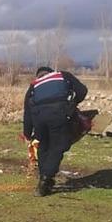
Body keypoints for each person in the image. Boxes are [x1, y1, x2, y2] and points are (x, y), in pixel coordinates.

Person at [22, 66, 88, 196]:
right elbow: (82, 91)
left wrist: (27, 133)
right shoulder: (62, 75)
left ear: (38, 75)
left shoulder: (34, 85)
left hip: (38, 117)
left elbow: (27, 111)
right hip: (58, 114)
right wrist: (71, 104)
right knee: (58, 145)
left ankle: (44, 180)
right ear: (51, 72)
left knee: (44, 146)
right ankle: (46, 178)